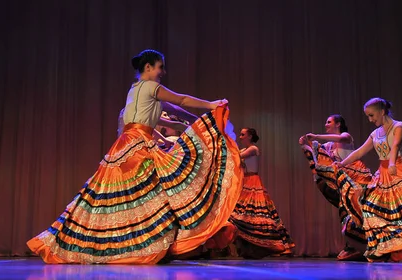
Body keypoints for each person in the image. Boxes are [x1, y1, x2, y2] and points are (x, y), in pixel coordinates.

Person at [26, 49, 243, 264]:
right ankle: (144, 244)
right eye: (160, 67)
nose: (163, 71)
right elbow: (182, 100)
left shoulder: (137, 90)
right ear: (148, 67)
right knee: (153, 191)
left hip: (127, 144)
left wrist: (197, 119)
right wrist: (212, 105)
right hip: (137, 144)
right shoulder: (151, 87)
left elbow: (174, 111)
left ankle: (121, 244)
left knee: (125, 195)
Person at [332, 98, 402, 262]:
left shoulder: (398, 126)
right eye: (368, 117)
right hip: (383, 174)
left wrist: (392, 163)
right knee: (373, 209)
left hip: (398, 170)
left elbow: (396, 146)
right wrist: (342, 164)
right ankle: (388, 249)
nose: (370, 120)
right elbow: (359, 152)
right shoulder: (375, 133)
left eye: (372, 115)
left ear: (382, 111)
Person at [299, 115, 372, 261]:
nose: (326, 124)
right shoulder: (328, 146)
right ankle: (354, 245)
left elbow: (341, 139)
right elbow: (319, 157)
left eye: (329, 122)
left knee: (358, 211)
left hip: (356, 180)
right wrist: (305, 145)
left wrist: (317, 136)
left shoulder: (346, 137)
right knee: (346, 212)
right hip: (342, 181)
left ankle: (366, 244)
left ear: (338, 124)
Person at [229, 128, 295, 259]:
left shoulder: (253, 149)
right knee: (244, 214)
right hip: (244, 181)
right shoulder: (242, 150)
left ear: (250, 136)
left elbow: (236, 157)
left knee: (258, 213)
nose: (240, 137)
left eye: (243, 135)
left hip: (252, 182)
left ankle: (278, 244)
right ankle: (251, 246)